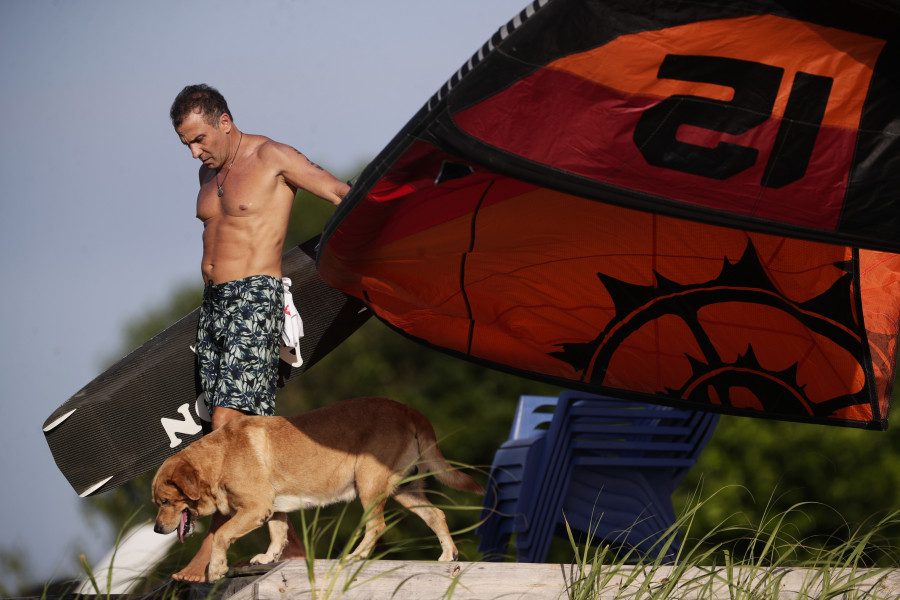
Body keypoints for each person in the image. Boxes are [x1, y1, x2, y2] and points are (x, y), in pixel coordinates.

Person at [168, 84, 349, 582]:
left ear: (225, 121)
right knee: (240, 436)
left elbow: (339, 192)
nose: (194, 151)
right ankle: (286, 544)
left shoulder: (273, 156)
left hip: (255, 298)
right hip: (214, 307)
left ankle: (207, 557)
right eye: (185, 143)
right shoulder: (208, 174)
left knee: (226, 428)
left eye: (200, 138)